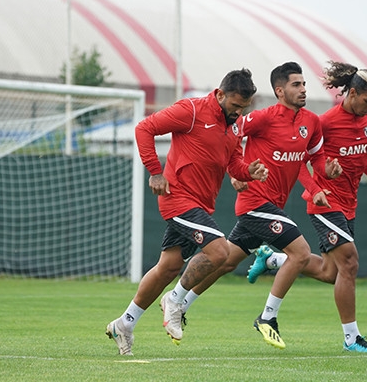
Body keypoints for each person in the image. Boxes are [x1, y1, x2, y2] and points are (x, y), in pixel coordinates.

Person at [176, 61, 341, 349]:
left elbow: (316, 159)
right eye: (296, 84)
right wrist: (235, 173)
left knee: (225, 262)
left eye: (304, 84)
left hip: (273, 205)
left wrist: (328, 171)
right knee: (300, 253)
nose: (303, 89)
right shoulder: (262, 118)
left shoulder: (311, 123)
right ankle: (267, 318)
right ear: (280, 91)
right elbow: (230, 135)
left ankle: (181, 304)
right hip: (255, 202)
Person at [106, 68, 268, 355]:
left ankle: (125, 324)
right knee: (221, 252)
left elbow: (235, 164)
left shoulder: (235, 125)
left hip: (201, 204)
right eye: (234, 106)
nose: (238, 113)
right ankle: (175, 300)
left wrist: (250, 171)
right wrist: (155, 172)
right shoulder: (191, 110)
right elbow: (144, 128)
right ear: (220, 94)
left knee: (167, 267)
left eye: (243, 108)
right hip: (177, 197)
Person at [246, 60, 367, 353]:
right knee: (350, 262)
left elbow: (361, 155)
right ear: (351, 94)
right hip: (325, 202)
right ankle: (352, 338)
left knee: (332, 273)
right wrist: (315, 190)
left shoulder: (366, 119)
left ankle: (274, 260)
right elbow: (300, 159)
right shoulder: (325, 122)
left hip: (348, 204)